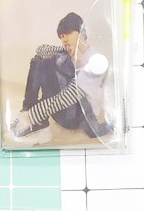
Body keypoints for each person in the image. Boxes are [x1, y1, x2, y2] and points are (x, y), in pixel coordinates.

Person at [9, 12, 110, 141]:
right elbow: (40, 49)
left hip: (78, 117)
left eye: (68, 33)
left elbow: (67, 97)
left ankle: (32, 117)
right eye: (61, 36)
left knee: (55, 62)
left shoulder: (94, 60)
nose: (64, 39)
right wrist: (61, 51)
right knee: (39, 60)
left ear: (81, 32)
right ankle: (29, 111)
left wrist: (30, 116)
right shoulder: (69, 52)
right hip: (62, 113)